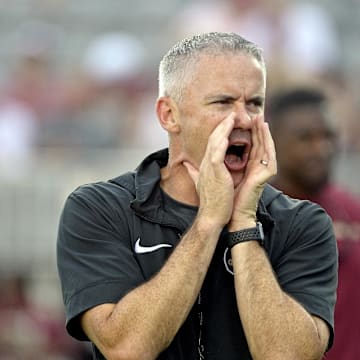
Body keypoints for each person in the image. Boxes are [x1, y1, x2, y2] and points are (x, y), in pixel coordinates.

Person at [57, 32, 337, 360]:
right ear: (169, 115)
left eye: (254, 103)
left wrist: (244, 223)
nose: (245, 118)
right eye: (223, 102)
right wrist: (207, 223)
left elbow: (289, 356)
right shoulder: (100, 208)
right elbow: (126, 348)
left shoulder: (304, 222)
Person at [267, 87, 360, 360]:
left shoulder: (351, 210)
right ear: (272, 140)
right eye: (305, 138)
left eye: (328, 136)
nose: (321, 149)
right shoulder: (251, 215)